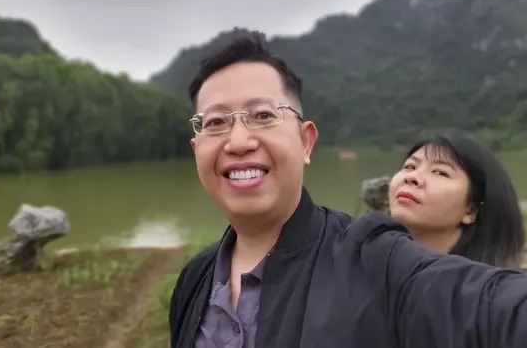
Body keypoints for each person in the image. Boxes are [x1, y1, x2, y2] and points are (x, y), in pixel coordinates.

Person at [169, 31, 527, 348]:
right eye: (215, 122)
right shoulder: (195, 277)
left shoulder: (371, 260)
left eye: (262, 115)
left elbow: (491, 309)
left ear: (306, 142)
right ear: (197, 149)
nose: (238, 141)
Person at [389, 131, 525, 268]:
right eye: (410, 167)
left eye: (440, 172)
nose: (412, 177)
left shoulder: (483, 281)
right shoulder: (380, 266)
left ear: (471, 210)